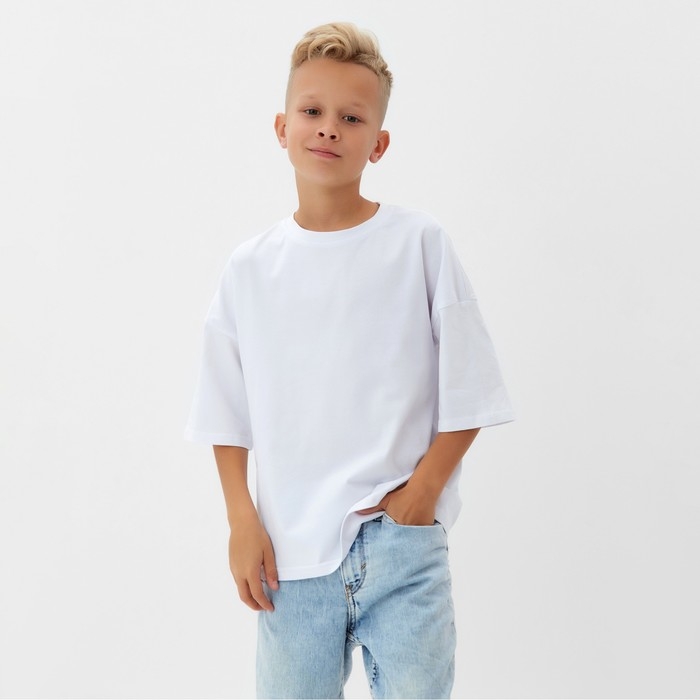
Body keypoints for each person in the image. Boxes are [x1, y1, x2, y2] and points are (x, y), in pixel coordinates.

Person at [185, 21, 515, 699]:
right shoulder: (250, 269)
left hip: (402, 548)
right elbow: (224, 411)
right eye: (312, 111)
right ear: (282, 128)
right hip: (289, 557)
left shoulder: (419, 243)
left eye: (352, 117)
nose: (329, 129)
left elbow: (472, 388)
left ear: (378, 142)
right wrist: (241, 520)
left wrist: (420, 497)